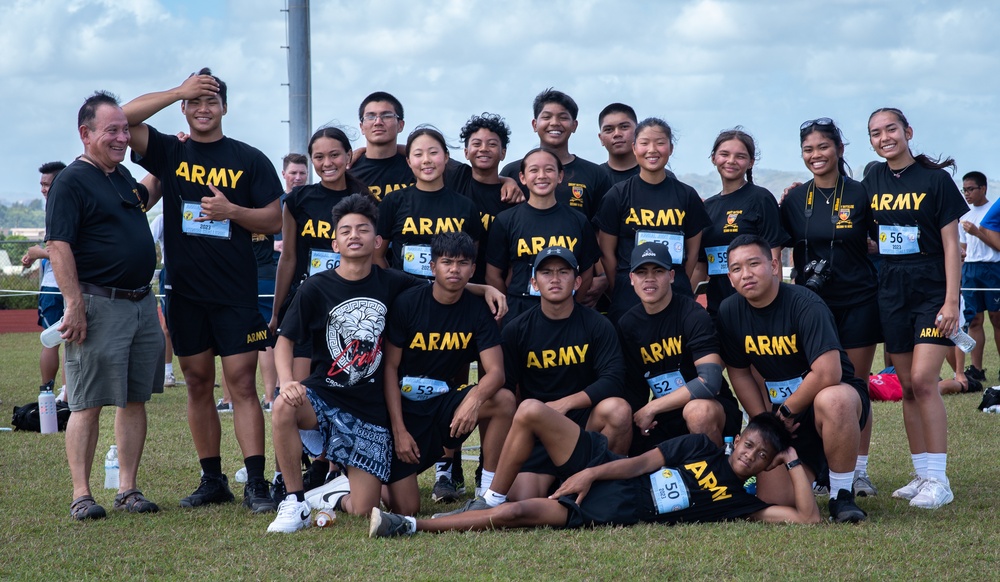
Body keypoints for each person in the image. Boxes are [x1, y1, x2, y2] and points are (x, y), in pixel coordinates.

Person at [266, 194, 506, 533]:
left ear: (377, 241)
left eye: (363, 229)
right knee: (283, 407)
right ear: (335, 242)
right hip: (326, 395)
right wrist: (288, 380)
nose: (354, 235)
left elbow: (443, 283)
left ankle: (334, 493)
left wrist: (484, 289)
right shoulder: (315, 288)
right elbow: (285, 340)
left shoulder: (392, 282)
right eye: (346, 230)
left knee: (379, 506)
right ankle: (293, 502)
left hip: (370, 410)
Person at [123, 68, 283, 513]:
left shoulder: (250, 159)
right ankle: (212, 479)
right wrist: (177, 89)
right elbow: (123, 119)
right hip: (185, 291)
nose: (203, 109)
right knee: (197, 382)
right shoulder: (171, 152)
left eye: (211, 102)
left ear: (225, 108)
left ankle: (255, 483)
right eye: (195, 103)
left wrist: (232, 210)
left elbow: (274, 220)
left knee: (241, 385)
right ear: (185, 109)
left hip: (235, 292)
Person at [368, 407, 820, 537]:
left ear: (768, 463)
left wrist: (792, 459)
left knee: (514, 518)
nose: (750, 455)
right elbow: (642, 462)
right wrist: (590, 473)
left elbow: (807, 520)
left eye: (762, 455)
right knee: (529, 410)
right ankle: (489, 492)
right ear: (736, 439)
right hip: (607, 469)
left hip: (612, 509)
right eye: (748, 444)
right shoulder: (701, 445)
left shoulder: (742, 504)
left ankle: (407, 525)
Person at [45, 91, 164, 520]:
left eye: (124, 130)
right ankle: (81, 494)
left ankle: (127, 489)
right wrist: (74, 304)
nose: (121, 138)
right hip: (98, 305)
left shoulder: (120, 176)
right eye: (111, 130)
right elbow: (58, 245)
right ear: (85, 134)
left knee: (134, 400)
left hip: (138, 303)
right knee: (86, 401)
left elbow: (142, 200)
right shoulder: (72, 181)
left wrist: (166, 167)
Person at [716, 235, 870, 522]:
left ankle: (841, 494)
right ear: (729, 276)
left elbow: (828, 372)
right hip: (784, 416)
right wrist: (764, 422)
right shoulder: (729, 311)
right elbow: (739, 371)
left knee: (833, 399)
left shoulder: (805, 304)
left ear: (774, 265)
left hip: (830, 402)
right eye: (736, 269)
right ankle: (816, 471)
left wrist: (785, 412)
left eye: (753, 264)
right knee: (774, 499)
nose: (745, 274)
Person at [864, 107, 966, 510]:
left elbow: (950, 246)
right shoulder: (872, 177)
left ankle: (940, 481)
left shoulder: (936, 181)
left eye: (891, 129)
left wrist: (952, 300)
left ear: (908, 131)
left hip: (931, 293)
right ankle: (923, 474)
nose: (884, 137)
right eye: (875, 132)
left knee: (925, 380)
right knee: (905, 387)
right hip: (890, 291)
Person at [779, 118, 880, 496]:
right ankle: (824, 468)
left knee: (856, 385)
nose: (815, 155)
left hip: (858, 300)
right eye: (808, 150)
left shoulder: (861, 193)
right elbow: (777, 245)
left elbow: (881, 240)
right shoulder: (793, 198)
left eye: (823, 147)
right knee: (817, 385)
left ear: (838, 149)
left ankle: (859, 472)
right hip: (809, 307)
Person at [383, 232, 515, 515]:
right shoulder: (407, 303)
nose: (455, 269)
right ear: (433, 267)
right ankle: (345, 486)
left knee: (502, 400)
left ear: (472, 269)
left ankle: (488, 492)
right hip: (403, 409)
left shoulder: (478, 310)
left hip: (444, 403)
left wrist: (474, 399)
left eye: (463, 263)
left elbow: (496, 373)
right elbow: (389, 369)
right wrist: (399, 431)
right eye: (447, 262)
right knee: (405, 507)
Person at [499, 246, 630, 501]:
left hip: (584, 427)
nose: (555, 279)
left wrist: (565, 403)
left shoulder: (597, 324)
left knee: (618, 409)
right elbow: (507, 390)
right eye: (547, 273)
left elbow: (613, 380)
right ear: (534, 283)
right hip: (539, 432)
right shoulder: (516, 330)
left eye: (563, 272)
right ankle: (555, 482)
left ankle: (605, 485)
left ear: (578, 281)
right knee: (523, 500)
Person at [617, 243, 742, 454]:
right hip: (664, 415)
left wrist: (652, 408)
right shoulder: (628, 325)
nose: (649, 278)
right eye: (641, 272)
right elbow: (633, 389)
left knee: (698, 412)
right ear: (631, 279)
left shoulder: (693, 314)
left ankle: (718, 477)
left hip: (710, 406)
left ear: (672, 276)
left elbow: (710, 383)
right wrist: (639, 418)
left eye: (658, 271)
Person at [271, 128, 369, 380]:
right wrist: (276, 312)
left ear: (348, 156)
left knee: (343, 382)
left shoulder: (364, 200)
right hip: (308, 300)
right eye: (319, 157)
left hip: (350, 303)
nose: (327, 163)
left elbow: (373, 257)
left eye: (334, 155)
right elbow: (289, 257)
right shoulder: (298, 200)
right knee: (301, 390)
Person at [595, 118, 710, 322]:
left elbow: (692, 255)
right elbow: (606, 253)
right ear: (634, 147)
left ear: (670, 148)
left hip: (675, 293)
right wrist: (621, 287)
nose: (652, 150)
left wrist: (679, 282)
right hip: (628, 296)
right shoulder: (618, 195)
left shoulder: (687, 195)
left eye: (660, 142)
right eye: (645, 143)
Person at [486, 148, 600, 324]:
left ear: (560, 176)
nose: (542, 175)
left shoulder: (578, 220)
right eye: (533, 170)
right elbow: (493, 275)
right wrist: (508, 306)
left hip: (566, 314)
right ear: (522, 178)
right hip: (519, 313)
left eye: (549, 169)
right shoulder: (506, 220)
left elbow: (586, 274)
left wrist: (571, 305)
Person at [699, 128, 786, 318]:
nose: (731, 161)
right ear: (713, 158)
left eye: (740, 156)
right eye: (724, 154)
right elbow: (700, 265)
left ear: (750, 162)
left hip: (756, 309)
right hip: (718, 309)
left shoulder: (761, 198)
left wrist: (777, 309)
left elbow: (774, 258)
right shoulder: (707, 207)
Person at [375, 126, 482, 274]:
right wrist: (393, 284)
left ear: (446, 157)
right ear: (409, 161)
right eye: (418, 154)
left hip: (450, 294)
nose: (426, 160)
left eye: (433, 153)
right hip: (404, 294)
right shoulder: (393, 201)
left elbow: (471, 258)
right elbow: (376, 255)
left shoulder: (466, 206)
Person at [500, 88, 613, 222]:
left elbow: (603, 229)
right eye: (547, 117)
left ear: (574, 125)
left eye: (563, 117)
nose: (554, 123)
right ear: (534, 124)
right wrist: (503, 179)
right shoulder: (513, 172)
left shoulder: (596, 174)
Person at [21, 161, 68, 400]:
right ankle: (58, 393)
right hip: (62, 285)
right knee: (63, 340)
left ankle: (54, 393)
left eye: (46, 184)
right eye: (41, 184)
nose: (43, 189)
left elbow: (61, 250)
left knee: (54, 341)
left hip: (57, 288)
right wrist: (34, 254)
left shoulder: (61, 208)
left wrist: (38, 252)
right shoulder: (55, 207)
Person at [458, 113, 517, 285]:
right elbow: (422, 147)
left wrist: (508, 180)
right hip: (456, 281)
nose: (484, 149)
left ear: (503, 153)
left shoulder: (512, 196)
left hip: (495, 283)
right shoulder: (456, 177)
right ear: (466, 152)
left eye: (492, 144)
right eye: (476, 144)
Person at [955, 171, 1000, 382]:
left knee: (996, 318)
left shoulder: (993, 212)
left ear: (983, 188)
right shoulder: (964, 215)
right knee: (974, 320)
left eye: (971, 189)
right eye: (964, 190)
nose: (967, 194)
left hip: (992, 268)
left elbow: (997, 246)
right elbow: (963, 249)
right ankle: (976, 369)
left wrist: (977, 233)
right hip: (970, 270)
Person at [597, 103, 640, 183]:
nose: (617, 134)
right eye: (609, 129)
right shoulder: (593, 178)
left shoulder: (659, 177)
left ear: (638, 132)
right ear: (601, 138)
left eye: (624, 127)